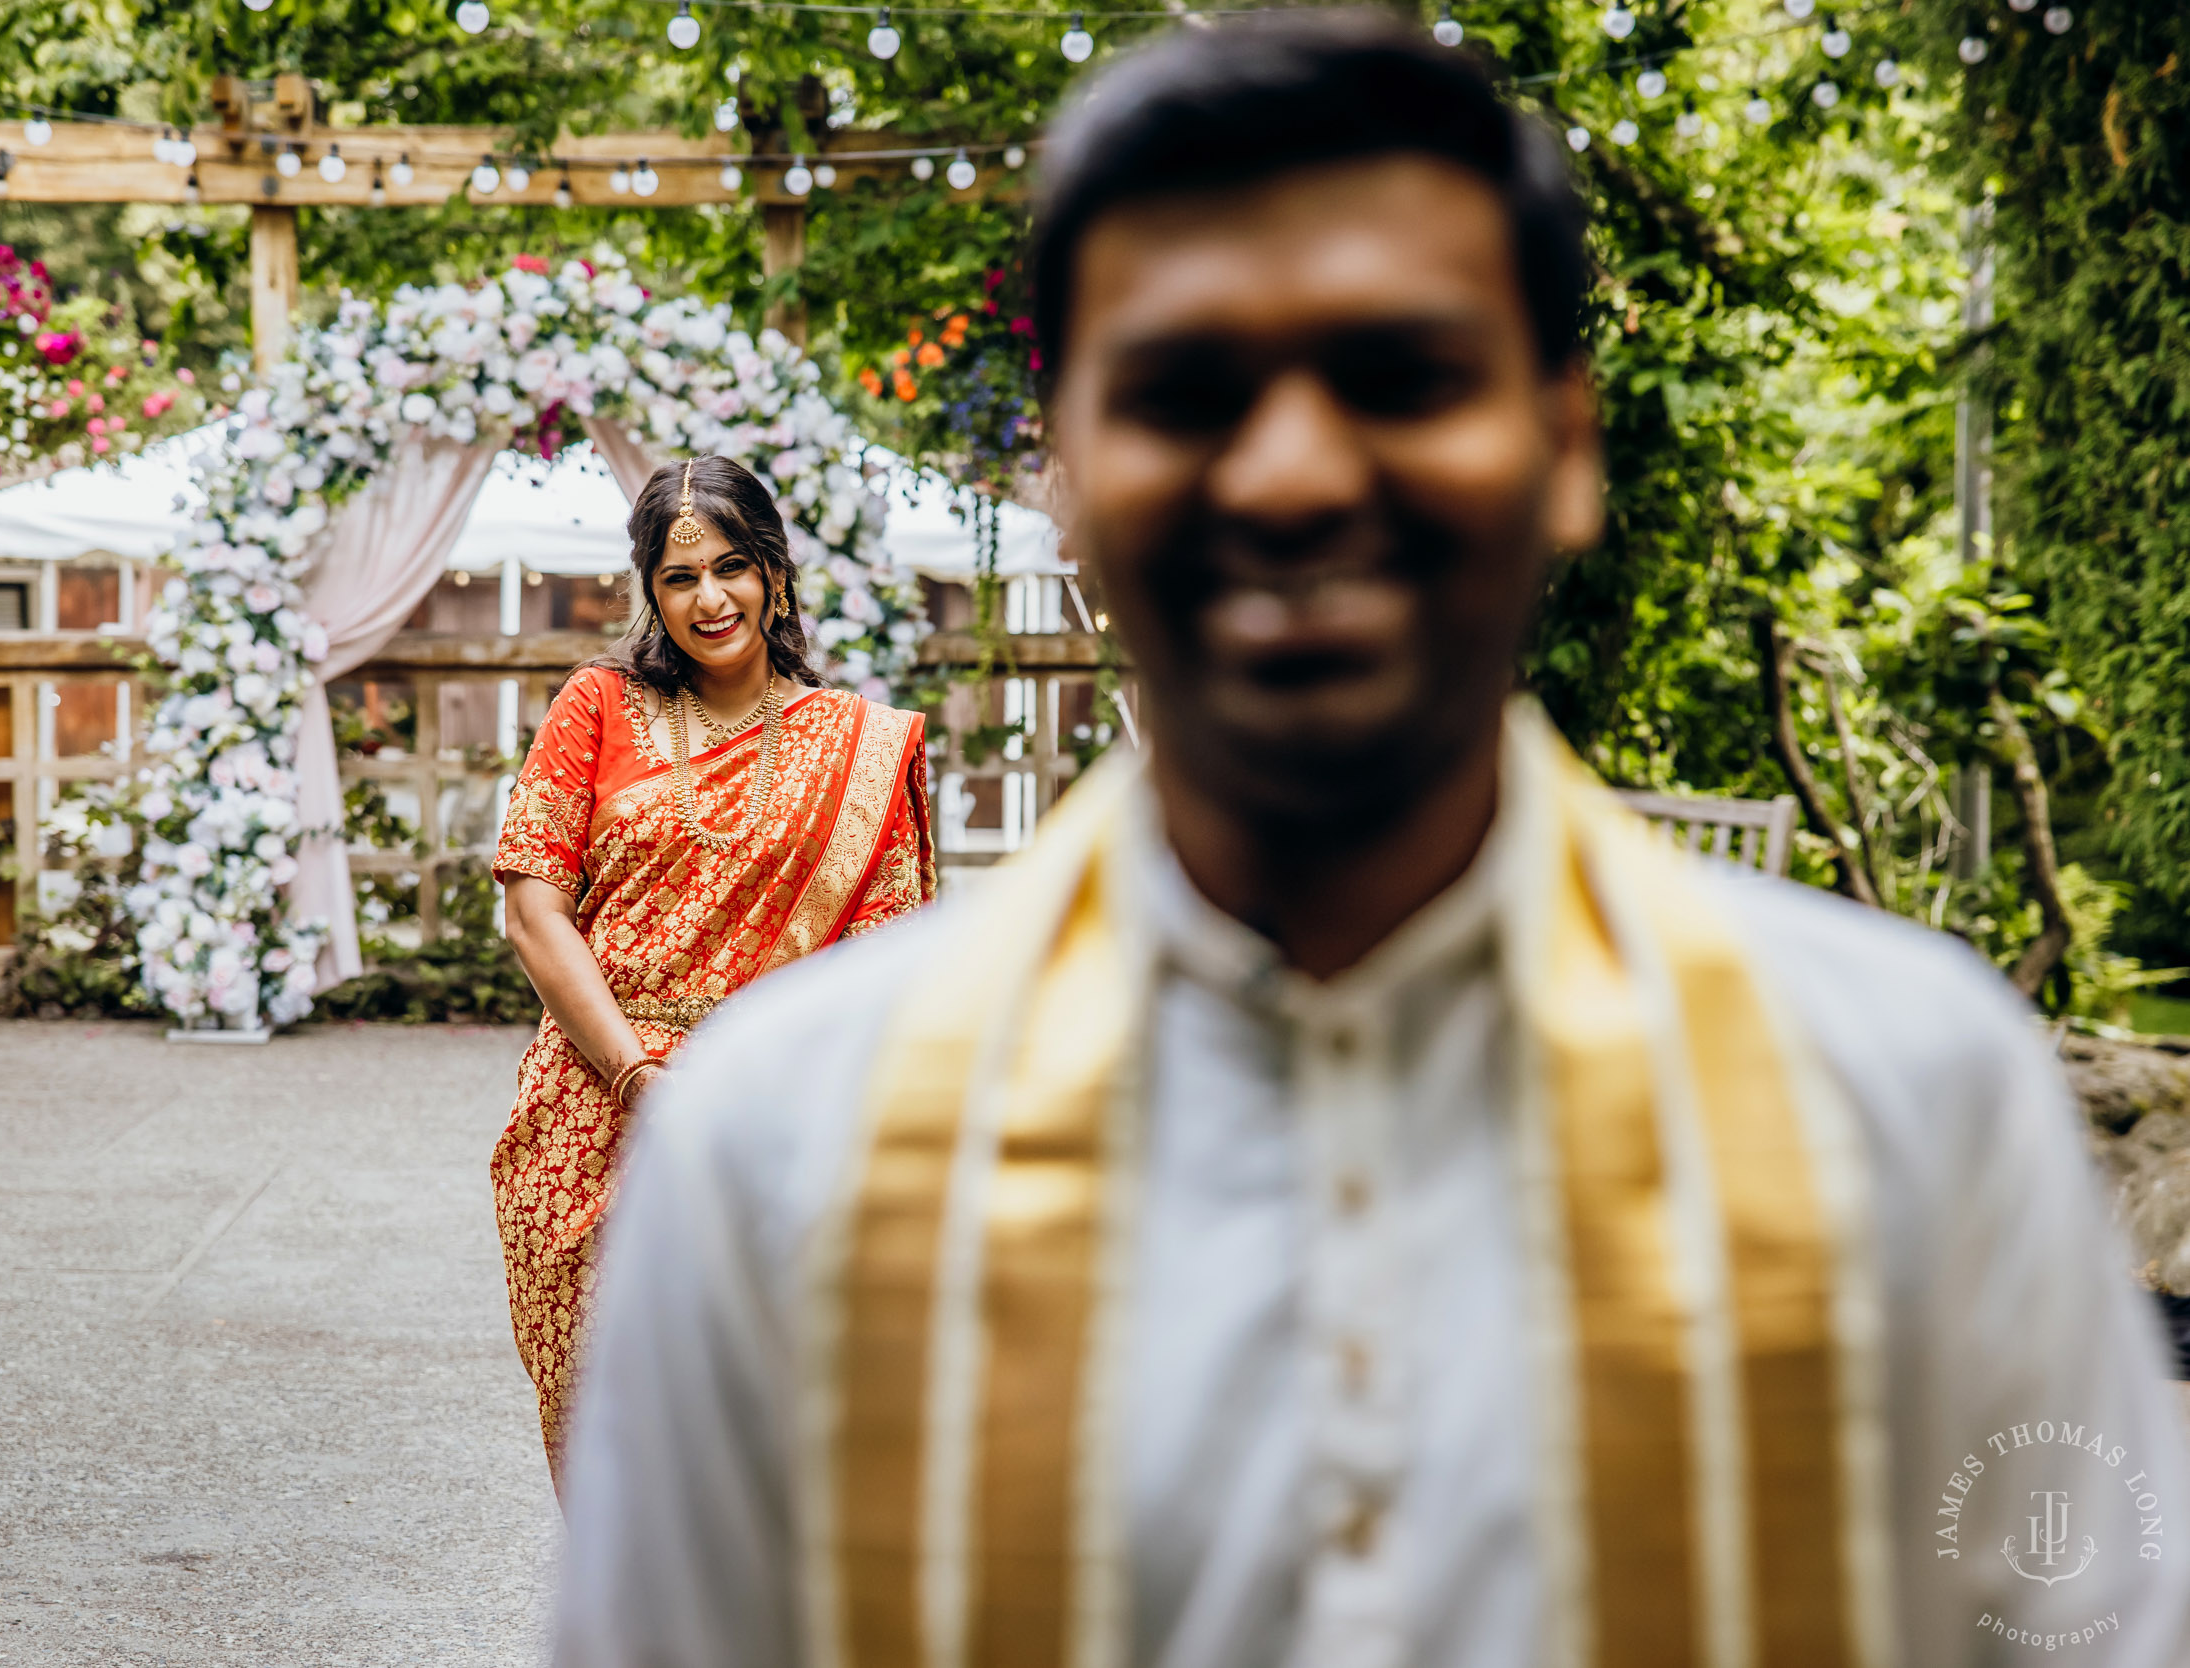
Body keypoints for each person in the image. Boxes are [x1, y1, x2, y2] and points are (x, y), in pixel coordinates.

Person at [554, 14, 2190, 1668]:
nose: (1290, 471)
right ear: (1069, 480)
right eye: (1188, 390)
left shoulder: (1905, 1103)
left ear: (1566, 446)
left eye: (1400, 375)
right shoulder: (783, 1157)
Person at [488, 453, 936, 1494]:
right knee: (616, 1455)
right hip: (592, 1122)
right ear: (649, 590)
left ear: (773, 574)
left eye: (731, 566)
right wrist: (639, 1076)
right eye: (679, 576)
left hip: (775, 1125)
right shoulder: (596, 708)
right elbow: (532, 908)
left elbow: (885, 966)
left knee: (763, 1454)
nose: (709, 597)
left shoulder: (855, 746)